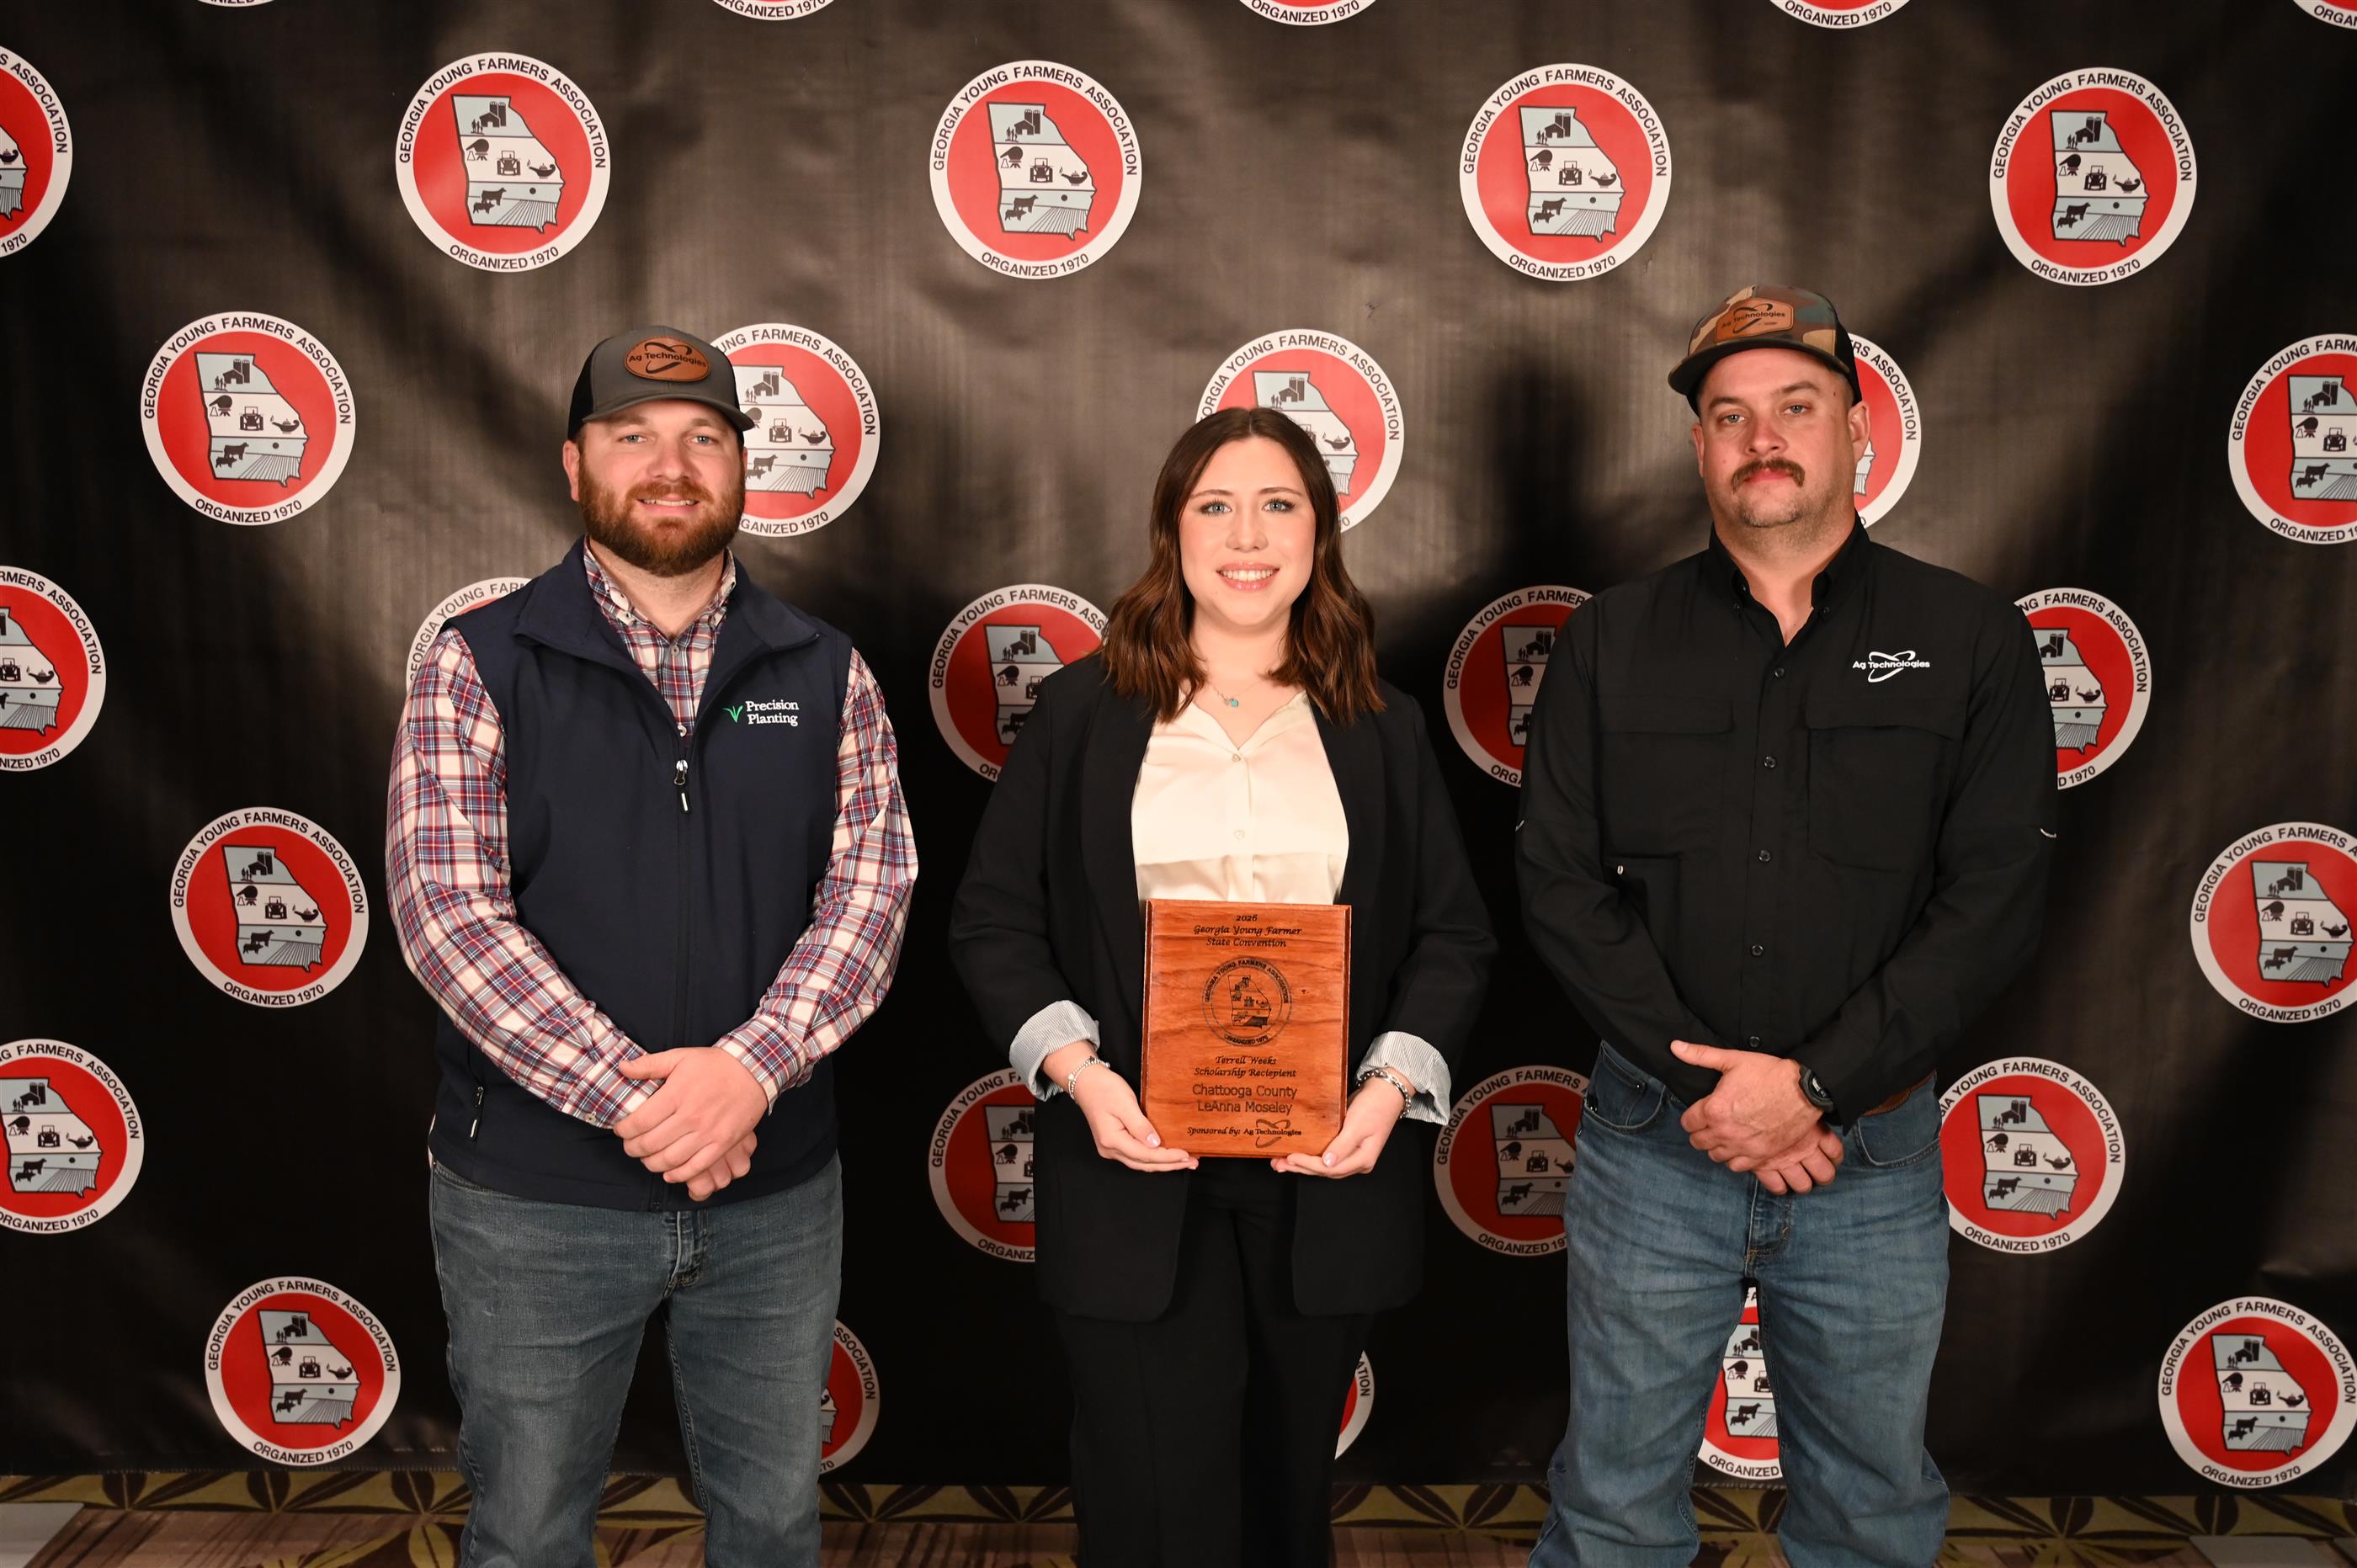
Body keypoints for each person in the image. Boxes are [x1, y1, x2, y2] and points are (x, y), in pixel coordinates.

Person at [1516, 286, 2056, 1568]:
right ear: (1699, 445)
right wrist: (1718, 1096)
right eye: (1730, 415)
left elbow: (1993, 900)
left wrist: (1812, 1087)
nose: (1763, 438)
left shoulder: (1969, 639)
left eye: (1796, 406)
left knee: (1870, 1513)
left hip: (1871, 1154)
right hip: (1657, 1145)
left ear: (1859, 430)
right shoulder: (1610, 640)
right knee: (1610, 1510)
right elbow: (1559, 884)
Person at [386, 325, 917, 1568]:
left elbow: (871, 892)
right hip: (537, 1201)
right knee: (527, 1534)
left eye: (702, 439)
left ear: (742, 468)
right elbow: (448, 917)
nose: (670, 466)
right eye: (632, 436)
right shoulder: (480, 661)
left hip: (773, 1192)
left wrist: (748, 1075)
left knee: (773, 1527)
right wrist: (649, 1105)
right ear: (576, 465)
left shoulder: (825, 670)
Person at [950, 406, 1495, 1566]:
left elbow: (1453, 937)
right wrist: (1082, 1077)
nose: (1248, 536)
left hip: (1323, 1175)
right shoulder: (1082, 714)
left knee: (1284, 1497)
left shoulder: (1382, 726)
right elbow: (993, 921)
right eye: (1216, 506)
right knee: (1153, 1502)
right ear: (1174, 530)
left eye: (1278, 505)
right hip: (1132, 1162)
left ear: (1319, 532)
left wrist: (1388, 1093)